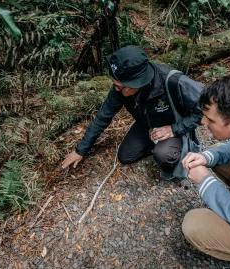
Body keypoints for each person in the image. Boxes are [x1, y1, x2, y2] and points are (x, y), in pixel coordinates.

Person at [62, 45, 203, 178]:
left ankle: (177, 146)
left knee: (163, 155)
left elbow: (206, 108)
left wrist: (175, 129)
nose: (116, 89)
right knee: (126, 156)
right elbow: (102, 117)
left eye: (120, 87)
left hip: (173, 125)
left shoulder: (172, 81)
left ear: (138, 82)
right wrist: (80, 150)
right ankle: (158, 143)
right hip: (147, 124)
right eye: (114, 84)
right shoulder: (120, 89)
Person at [182, 75, 230, 267]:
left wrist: (205, 180)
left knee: (194, 225)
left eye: (210, 119)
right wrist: (207, 157)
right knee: (219, 161)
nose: (203, 122)